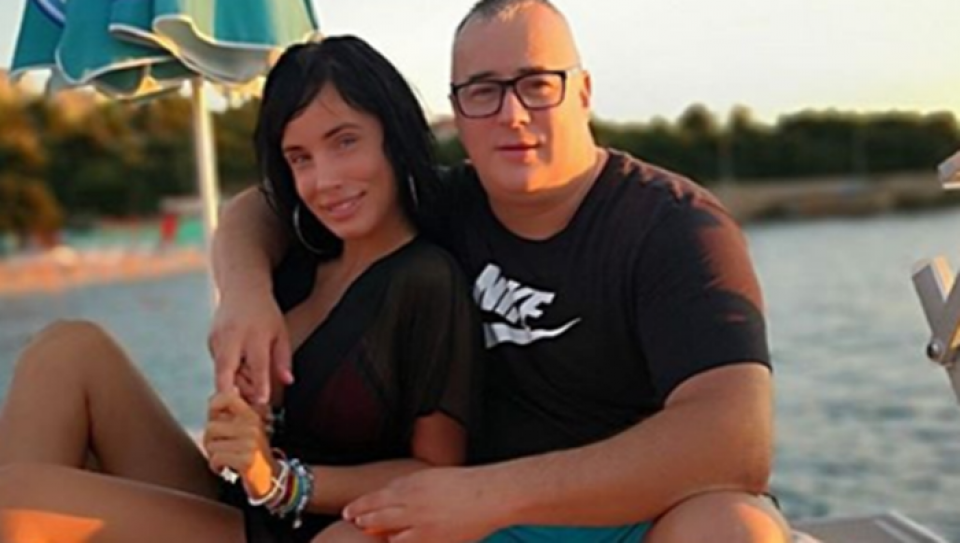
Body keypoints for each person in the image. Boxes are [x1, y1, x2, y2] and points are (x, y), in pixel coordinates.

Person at [208, 1, 793, 542]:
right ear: (457, 110)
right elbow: (264, 206)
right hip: (476, 524)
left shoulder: (673, 227)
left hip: (634, 513)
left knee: (737, 528)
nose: (512, 115)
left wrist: (493, 493)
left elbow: (735, 441)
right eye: (483, 91)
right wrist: (244, 295)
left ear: (583, 92)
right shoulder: (446, 204)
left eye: (537, 84)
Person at [0, 36, 481, 543]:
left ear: (394, 134)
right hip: (233, 505)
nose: (324, 180)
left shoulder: (426, 280)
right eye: (300, 158)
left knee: (15, 502)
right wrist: (242, 413)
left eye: (344, 142)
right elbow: (250, 212)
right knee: (67, 348)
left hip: (312, 527)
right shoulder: (296, 256)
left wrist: (279, 480)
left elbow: (436, 470)